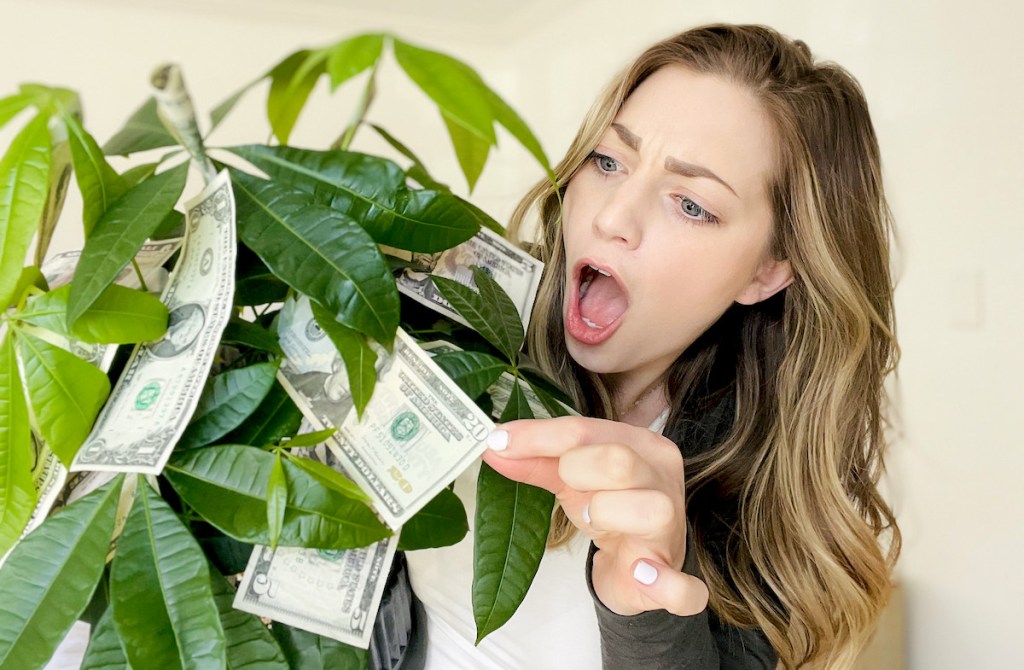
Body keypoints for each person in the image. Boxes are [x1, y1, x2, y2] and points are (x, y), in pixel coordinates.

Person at [406, 23, 900, 669]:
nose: (611, 217)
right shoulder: (447, 322)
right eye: (608, 162)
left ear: (767, 271)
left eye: (691, 204)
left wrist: (646, 614)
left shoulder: (763, 504)